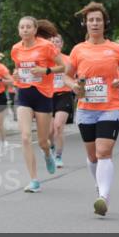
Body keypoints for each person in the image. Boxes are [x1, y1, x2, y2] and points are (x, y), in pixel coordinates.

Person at [68, 2, 119, 217]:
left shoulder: (115, 49)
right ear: (85, 24)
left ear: (105, 23)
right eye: (91, 20)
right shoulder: (78, 50)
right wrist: (74, 86)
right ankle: (99, 186)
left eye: (99, 20)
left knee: (103, 151)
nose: (95, 23)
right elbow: (67, 76)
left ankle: (103, 197)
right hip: (86, 108)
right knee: (93, 156)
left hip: (110, 106)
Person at [10, 17, 66, 192]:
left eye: (28, 27)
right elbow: (17, 69)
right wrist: (16, 76)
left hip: (43, 94)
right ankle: (34, 180)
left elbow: (62, 67)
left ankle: (48, 153)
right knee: (25, 137)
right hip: (24, 94)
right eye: (22, 27)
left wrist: (45, 70)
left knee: (42, 141)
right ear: (19, 31)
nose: (25, 30)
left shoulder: (46, 46)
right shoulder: (15, 49)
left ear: (35, 30)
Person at [49, 34, 74, 168]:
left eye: (57, 42)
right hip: (47, 96)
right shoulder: (45, 60)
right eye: (52, 42)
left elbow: (76, 75)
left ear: (62, 44)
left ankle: (58, 156)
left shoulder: (68, 59)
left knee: (58, 126)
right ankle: (51, 148)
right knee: (49, 131)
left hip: (64, 94)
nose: (54, 44)